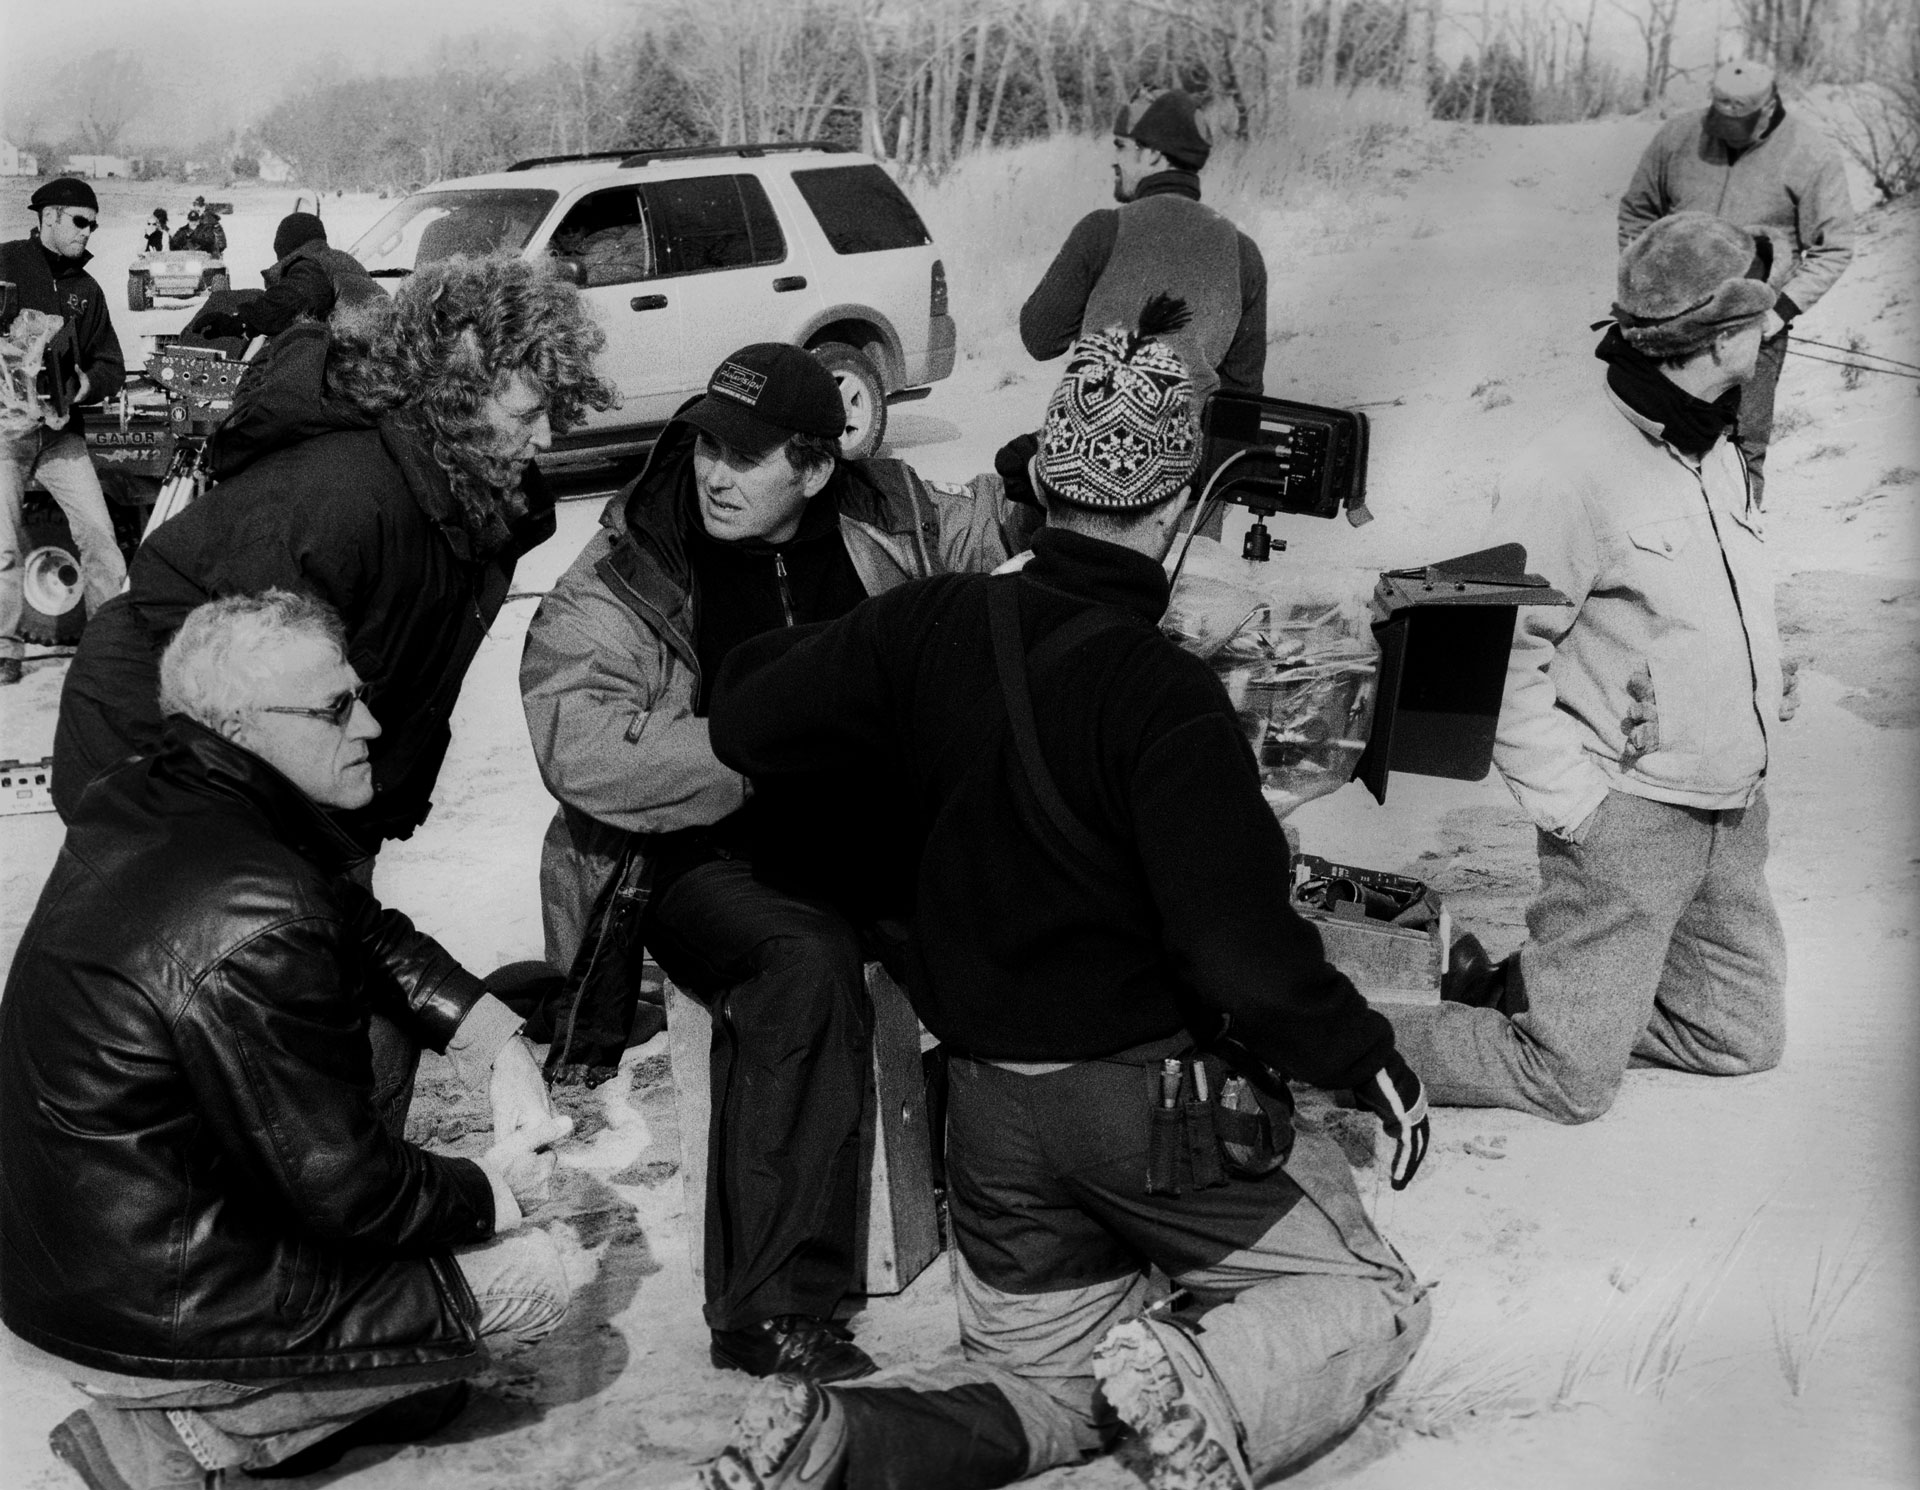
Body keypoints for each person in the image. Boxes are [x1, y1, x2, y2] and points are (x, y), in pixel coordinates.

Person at [700, 310, 1431, 1490]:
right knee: (1373, 1296)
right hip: (1140, 1110)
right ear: (1178, 507)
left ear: (1041, 480)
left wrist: (891, 657)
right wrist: (1366, 1056)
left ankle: (849, 1442)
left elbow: (744, 710)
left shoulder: (930, 619)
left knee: (1049, 1387)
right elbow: (1238, 952)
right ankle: (1204, 1388)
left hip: (990, 1120)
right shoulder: (1164, 691)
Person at [519, 342, 1039, 1381]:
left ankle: (1057, 1205)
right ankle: (769, 1308)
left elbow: (980, 523)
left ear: (814, 466)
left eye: (746, 455)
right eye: (708, 441)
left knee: (1028, 911)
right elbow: (580, 742)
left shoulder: (883, 509)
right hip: (695, 856)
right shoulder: (638, 559)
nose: (714, 470)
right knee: (803, 967)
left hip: (871, 832)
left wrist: (1040, 474)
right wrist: (754, 749)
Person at [1, 591, 575, 1487]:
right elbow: (350, 1195)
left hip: (71, 1268)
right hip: (152, 1306)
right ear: (239, 724)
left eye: (360, 693)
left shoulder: (156, 794)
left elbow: (364, 930)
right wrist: (494, 1192)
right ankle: (178, 1442)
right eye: (336, 708)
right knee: (540, 1276)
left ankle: (310, 1396)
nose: (373, 724)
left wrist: (494, 1041)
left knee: (436, 1340)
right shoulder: (259, 904)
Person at [1389, 212, 1789, 1125]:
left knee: (1741, 1038)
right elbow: (1497, 661)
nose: (1773, 336)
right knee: (1568, 1080)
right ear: (1722, 339)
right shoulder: (1564, 473)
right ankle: (1323, 1033)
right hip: (1630, 818)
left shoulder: (1713, 444)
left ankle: (1549, 992)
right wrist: (1578, 808)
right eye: (1759, 322)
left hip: (1730, 809)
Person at [51, 254, 615, 847]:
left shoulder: (458, 485)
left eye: (552, 409)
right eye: (527, 413)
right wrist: (300, 845)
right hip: (153, 757)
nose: (547, 436)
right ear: (455, 394)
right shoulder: (346, 494)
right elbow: (221, 672)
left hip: (287, 783)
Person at [1618, 58, 1854, 505]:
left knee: (1742, 445)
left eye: (1739, 118)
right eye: (1719, 113)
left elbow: (1834, 246)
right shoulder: (1677, 136)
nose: (1725, 126)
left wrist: (1781, 311)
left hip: (1753, 324)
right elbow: (1637, 213)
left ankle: (1738, 557)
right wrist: (1643, 284)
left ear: (1768, 109)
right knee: (1654, 435)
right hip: (1670, 321)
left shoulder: (1811, 152)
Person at [1019, 88, 1266, 404]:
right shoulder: (1244, 252)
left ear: (1152, 154)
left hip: (1099, 438)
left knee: (1014, 455)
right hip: (1189, 441)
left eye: (1121, 146)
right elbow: (1244, 394)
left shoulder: (1102, 230)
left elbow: (1040, 339)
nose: (1115, 161)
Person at [0, 177, 128, 686]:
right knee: (3, 546)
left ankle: (109, 647)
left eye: (93, 225)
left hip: (59, 434)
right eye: (79, 221)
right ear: (48, 218)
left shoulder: (86, 290)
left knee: (100, 537)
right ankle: (5, 648)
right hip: (4, 434)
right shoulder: (5, 262)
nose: (87, 232)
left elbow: (111, 364)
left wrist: (80, 386)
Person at [221, 210, 382, 341]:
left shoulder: (311, 266)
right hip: (371, 349)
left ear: (285, 245)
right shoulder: (339, 259)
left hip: (351, 358)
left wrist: (240, 322)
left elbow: (289, 302)